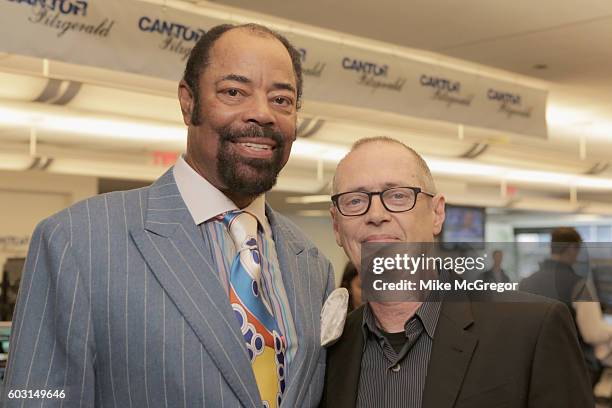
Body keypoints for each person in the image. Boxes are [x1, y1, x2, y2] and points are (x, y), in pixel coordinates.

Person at [3, 23, 335, 408]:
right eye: (233, 92)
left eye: (282, 99)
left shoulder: (312, 266)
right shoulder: (77, 241)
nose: (262, 113)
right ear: (188, 101)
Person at [320, 136, 593, 407]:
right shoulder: (330, 350)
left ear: (437, 213)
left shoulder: (532, 330)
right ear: (336, 226)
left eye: (398, 196)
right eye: (355, 201)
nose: (376, 214)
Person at [520, 227, 612, 387]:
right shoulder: (578, 284)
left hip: (534, 367)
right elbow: (593, 333)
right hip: (570, 370)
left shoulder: (525, 283)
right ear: (571, 248)